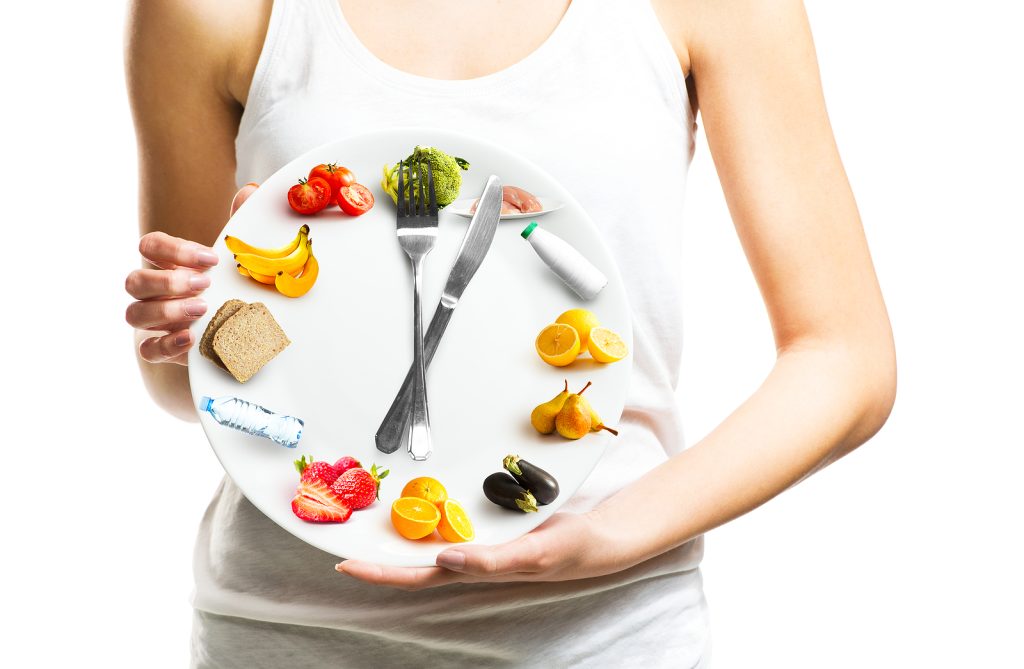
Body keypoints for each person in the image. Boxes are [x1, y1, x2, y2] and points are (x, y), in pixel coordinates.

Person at [124, 0, 896, 666]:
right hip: (284, 632)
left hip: (604, 633)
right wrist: (204, 325)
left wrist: (612, 532)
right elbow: (186, 382)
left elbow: (844, 358)